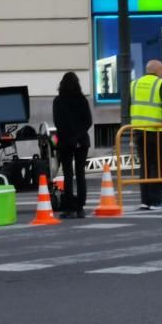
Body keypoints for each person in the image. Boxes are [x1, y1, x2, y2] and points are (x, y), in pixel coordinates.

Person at [131, 60, 162, 211]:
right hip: (156, 129)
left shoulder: (134, 83)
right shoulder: (160, 83)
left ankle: (145, 200)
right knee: (157, 165)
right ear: (158, 70)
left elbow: (129, 103)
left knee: (145, 165)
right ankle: (156, 201)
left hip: (138, 129)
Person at [52, 72, 93, 219]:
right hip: (82, 141)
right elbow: (88, 121)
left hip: (65, 142)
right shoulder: (82, 100)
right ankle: (80, 207)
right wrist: (78, 137)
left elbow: (58, 123)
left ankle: (69, 208)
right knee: (80, 174)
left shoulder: (58, 101)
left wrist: (70, 138)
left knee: (68, 175)